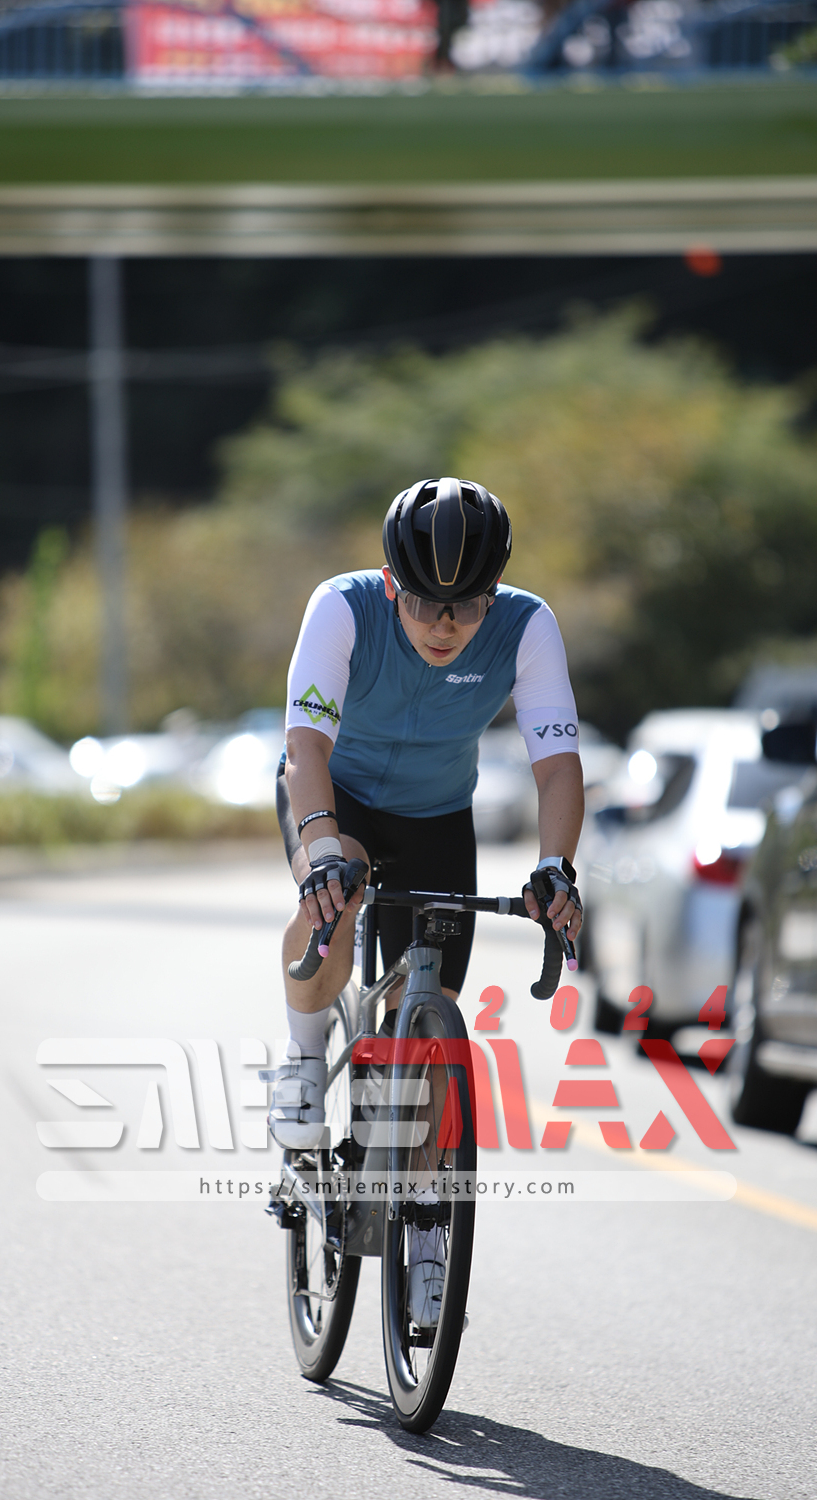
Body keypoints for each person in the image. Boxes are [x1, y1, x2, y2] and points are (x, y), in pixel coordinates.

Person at [268, 476, 585, 1327]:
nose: (444, 625)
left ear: (496, 590)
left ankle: (428, 1228)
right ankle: (303, 1060)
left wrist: (556, 867)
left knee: (435, 1018)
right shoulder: (341, 608)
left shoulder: (528, 625)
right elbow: (304, 745)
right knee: (339, 889)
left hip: (439, 815)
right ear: (388, 582)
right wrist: (321, 852)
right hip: (335, 797)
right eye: (421, 603)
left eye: (467, 605)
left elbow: (557, 765)